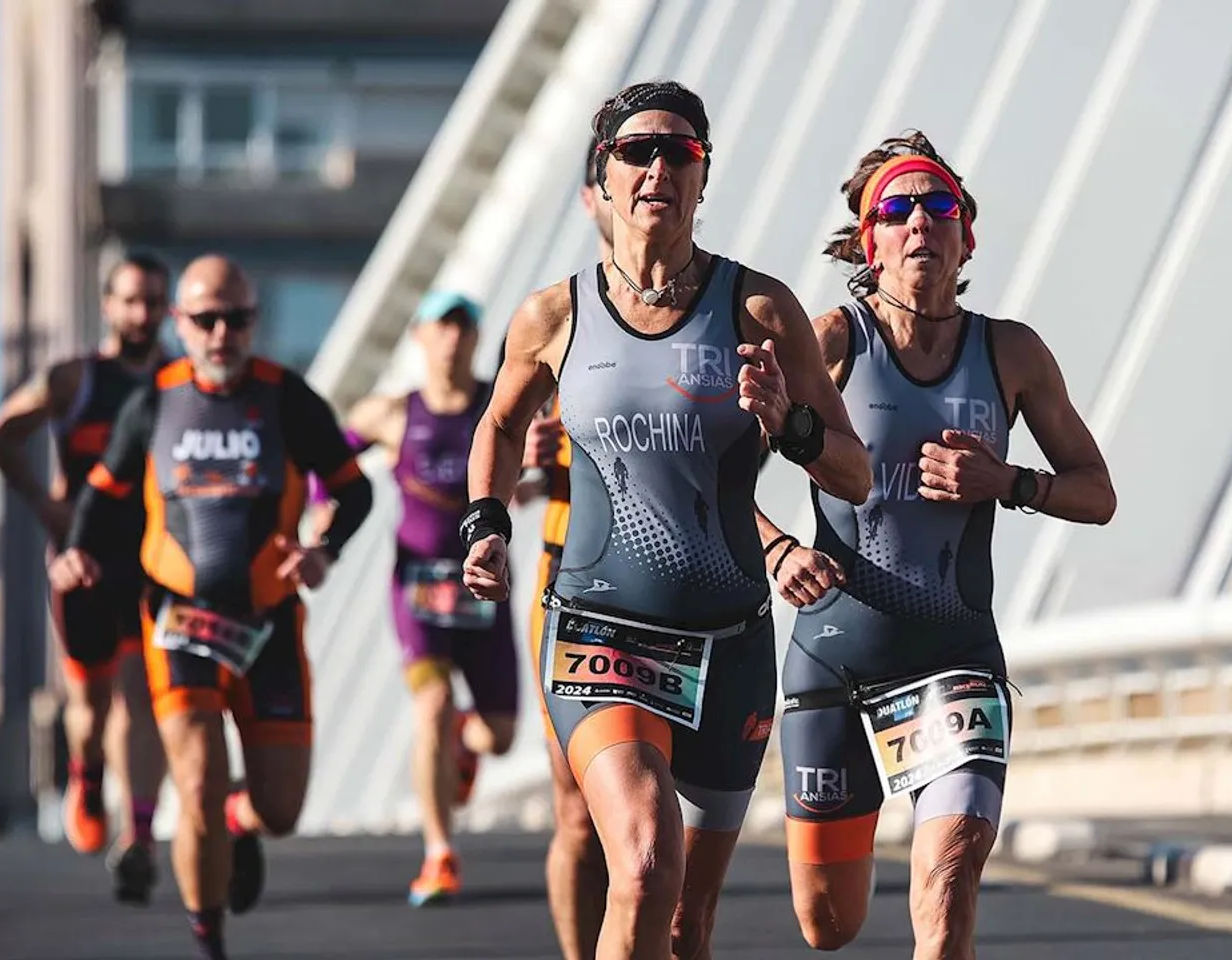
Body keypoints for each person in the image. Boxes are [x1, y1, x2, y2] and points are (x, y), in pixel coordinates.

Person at [461, 80, 870, 960]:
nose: (658, 168)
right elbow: (496, 423)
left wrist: (788, 425)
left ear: (703, 177)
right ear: (603, 180)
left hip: (729, 643)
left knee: (687, 923)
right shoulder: (554, 315)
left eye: (680, 152)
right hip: (601, 626)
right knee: (646, 861)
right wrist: (486, 523)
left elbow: (855, 469)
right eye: (637, 152)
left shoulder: (759, 310)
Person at [759, 133, 1115, 959]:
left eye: (940, 206)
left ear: (967, 239)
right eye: (897, 209)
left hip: (954, 656)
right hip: (836, 658)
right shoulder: (831, 342)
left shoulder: (1012, 352)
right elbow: (712, 476)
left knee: (947, 880)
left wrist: (1010, 482)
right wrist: (777, 549)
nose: (920, 221)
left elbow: (1096, 492)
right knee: (828, 924)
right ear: (867, 242)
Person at [49, 255, 373, 960]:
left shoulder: (287, 397)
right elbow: (101, 497)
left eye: (237, 319)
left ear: (255, 322)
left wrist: (324, 551)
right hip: (179, 623)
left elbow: (355, 490)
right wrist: (76, 552)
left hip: (269, 625)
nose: (222, 333)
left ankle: (241, 816)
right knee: (193, 780)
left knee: (281, 810)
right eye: (205, 319)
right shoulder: (154, 403)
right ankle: (208, 938)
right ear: (181, 324)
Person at [0, 253, 173, 901]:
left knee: (142, 696)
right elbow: (1, 435)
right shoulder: (73, 379)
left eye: (153, 301)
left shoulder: (180, 380)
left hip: (151, 562)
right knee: (89, 706)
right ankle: (85, 773)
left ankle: (140, 834)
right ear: (109, 305)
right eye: (131, 301)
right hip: (81, 560)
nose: (142, 314)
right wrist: (43, 502)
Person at [342, 290, 520, 906]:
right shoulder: (393, 414)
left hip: (483, 589)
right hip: (418, 591)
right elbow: (328, 463)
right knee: (433, 703)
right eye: (441, 327)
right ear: (418, 335)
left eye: (464, 328)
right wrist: (314, 516)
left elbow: (528, 463)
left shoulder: (494, 409)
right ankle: (440, 852)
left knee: (498, 736)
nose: (453, 339)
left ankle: (464, 740)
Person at [513, 133, 615, 960]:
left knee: (666, 825)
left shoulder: (720, 306)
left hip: (686, 586)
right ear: (593, 196)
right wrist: (530, 469)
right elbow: (495, 462)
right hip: (572, 582)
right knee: (578, 808)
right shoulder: (560, 316)